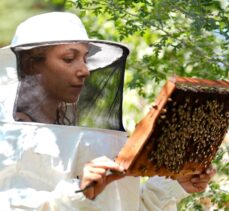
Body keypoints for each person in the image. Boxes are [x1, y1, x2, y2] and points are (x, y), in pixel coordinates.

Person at [0, 12, 215, 210]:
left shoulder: (86, 134)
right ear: (31, 64)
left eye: (85, 58)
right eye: (68, 58)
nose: (85, 70)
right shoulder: (8, 139)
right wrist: (78, 191)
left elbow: (124, 203)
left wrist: (175, 185)